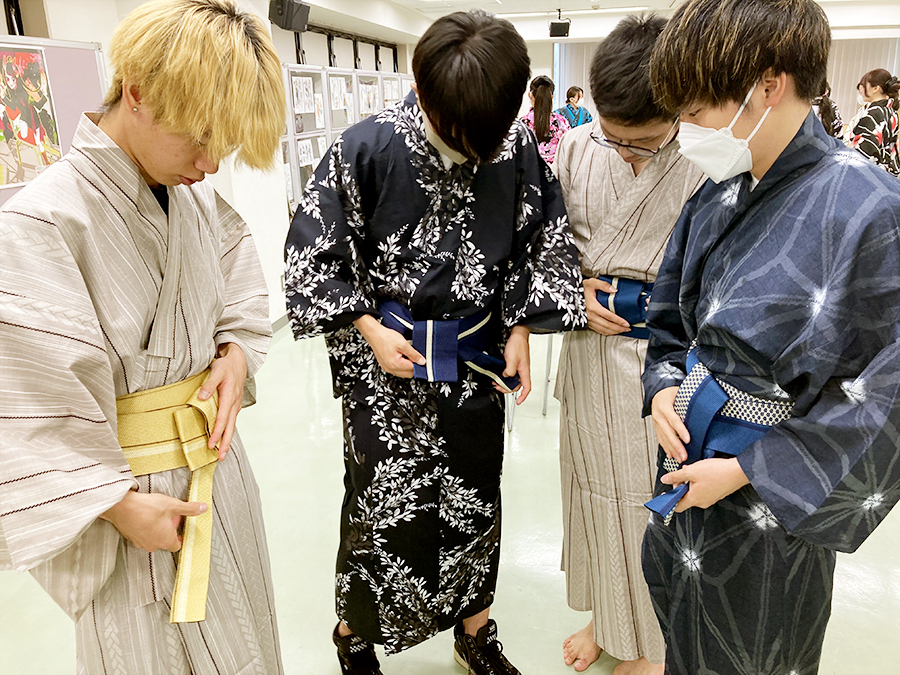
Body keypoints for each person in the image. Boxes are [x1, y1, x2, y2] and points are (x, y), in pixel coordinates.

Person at [284, 10, 585, 675]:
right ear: (421, 90)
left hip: (476, 365)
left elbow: (541, 239)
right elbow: (313, 258)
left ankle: (474, 631)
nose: (475, 151)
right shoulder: (364, 148)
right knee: (379, 509)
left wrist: (522, 327)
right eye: (458, 135)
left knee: (477, 502)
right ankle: (353, 632)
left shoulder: (515, 146)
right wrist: (368, 329)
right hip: (386, 370)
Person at [0, 1, 285, 673]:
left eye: (225, 145)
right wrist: (118, 506)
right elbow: (27, 402)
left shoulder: (192, 198)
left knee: (246, 632)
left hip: (217, 466)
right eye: (201, 138)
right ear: (137, 92)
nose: (210, 163)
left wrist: (236, 354)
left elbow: (237, 291)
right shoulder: (41, 222)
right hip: (130, 501)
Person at [642, 0, 900, 673]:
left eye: (697, 109)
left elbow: (887, 394)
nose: (687, 128)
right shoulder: (720, 188)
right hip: (686, 457)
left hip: (767, 493)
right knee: (682, 629)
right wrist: (664, 387)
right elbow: (669, 313)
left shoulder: (873, 209)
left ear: (768, 84)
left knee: (755, 645)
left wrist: (746, 470)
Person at [554, 15, 705, 675]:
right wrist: (569, 290)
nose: (621, 153)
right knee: (592, 494)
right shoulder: (574, 147)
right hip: (589, 353)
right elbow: (541, 245)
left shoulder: (707, 156)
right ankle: (607, 618)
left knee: (654, 502)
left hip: (666, 365)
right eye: (611, 136)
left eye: (640, 142)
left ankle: (653, 642)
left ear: (677, 110)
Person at [846, 68, 900, 176]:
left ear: (876, 88)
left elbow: (863, 152)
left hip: (869, 174)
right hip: (886, 175)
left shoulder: (873, 113)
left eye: (864, 86)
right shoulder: (892, 112)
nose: (861, 91)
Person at [521, 75, 571, 164]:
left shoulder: (523, 123)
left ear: (530, 95)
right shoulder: (562, 122)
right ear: (552, 96)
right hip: (556, 170)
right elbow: (569, 151)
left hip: (530, 170)